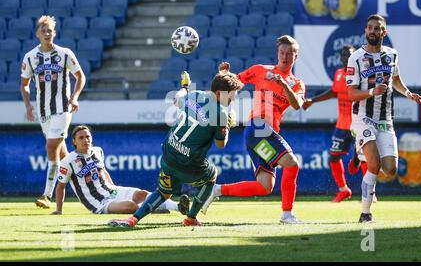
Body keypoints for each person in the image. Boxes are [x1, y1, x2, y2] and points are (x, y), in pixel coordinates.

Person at [108, 70, 244, 227]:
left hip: (169, 152)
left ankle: (133, 219)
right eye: (233, 94)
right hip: (189, 162)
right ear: (220, 93)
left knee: (163, 192)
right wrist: (227, 126)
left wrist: (185, 86)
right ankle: (191, 218)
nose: (234, 98)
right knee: (211, 175)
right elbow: (221, 144)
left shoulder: (194, 95)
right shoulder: (221, 114)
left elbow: (176, 98)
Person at [202, 35, 306, 224]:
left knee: (265, 186)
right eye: (282, 52)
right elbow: (234, 83)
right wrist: (224, 74)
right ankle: (287, 215)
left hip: (264, 132)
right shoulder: (261, 70)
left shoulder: (297, 84)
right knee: (292, 164)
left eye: (289, 53)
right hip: (257, 127)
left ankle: (217, 190)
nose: (285, 56)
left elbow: (298, 104)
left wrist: (284, 85)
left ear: (296, 57)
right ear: (278, 53)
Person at [346, 14, 421, 222]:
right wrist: (371, 92)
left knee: (389, 169)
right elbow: (351, 94)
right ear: (365, 30)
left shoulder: (392, 54)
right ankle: (365, 213)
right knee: (374, 165)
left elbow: (396, 79)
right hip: (363, 117)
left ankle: (359, 151)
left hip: (385, 119)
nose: (372, 31)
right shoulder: (356, 58)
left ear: (384, 32)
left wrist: (407, 93)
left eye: (377, 28)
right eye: (369, 27)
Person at [20, 15, 86, 209]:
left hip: (62, 109)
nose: (47, 34)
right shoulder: (30, 57)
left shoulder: (65, 54)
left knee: (51, 147)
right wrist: (28, 105)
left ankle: (46, 195)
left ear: (55, 33)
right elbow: (24, 84)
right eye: (44, 31)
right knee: (64, 156)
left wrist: (74, 98)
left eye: (50, 30)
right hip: (44, 112)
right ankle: (85, 186)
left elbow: (80, 76)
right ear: (37, 33)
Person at [51, 125, 190, 215]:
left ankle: (178, 207)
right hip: (98, 202)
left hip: (111, 190)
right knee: (130, 206)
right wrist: (58, 210)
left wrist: (113, 186)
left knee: (141, 194)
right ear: (74, 141)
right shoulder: (67, 161)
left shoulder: (98, 151)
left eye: (88, 137)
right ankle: (154, 208)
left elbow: (103, 171)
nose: (85, 140)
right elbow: (60, 186)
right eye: (81, 138)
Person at [303, 45, 364, 202]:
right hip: (342, 125)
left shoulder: (361, 75)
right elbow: (333, 92)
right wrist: (312, 101)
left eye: (349, 55)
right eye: (343, 55)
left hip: (358, 124)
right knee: (333, 158)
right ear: (340, 58)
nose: (346, 58)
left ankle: (369, 192)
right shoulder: (338, 74)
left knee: (364, 158)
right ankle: (343, 190)